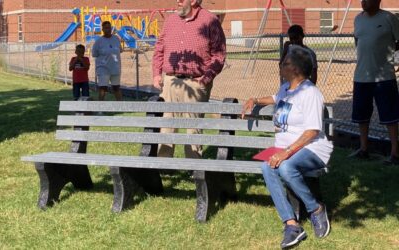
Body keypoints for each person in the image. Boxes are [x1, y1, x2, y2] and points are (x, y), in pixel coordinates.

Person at [242, 48, 333, 249]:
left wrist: (286, 152)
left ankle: (316, 208)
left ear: (296, 69)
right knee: (266, 166)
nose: (281, 66)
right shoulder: (286, 88)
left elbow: (312, 131)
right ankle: (291, 225)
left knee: (285, 167)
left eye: (285, 63)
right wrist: (255, 100)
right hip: (286, 146)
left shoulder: (311, 93)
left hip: (312, 148)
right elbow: (275, 98)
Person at [152, 0, 226, 159]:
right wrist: (157, 74)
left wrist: (205, 79)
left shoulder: (210, 21)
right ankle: (164, 166)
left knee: (193, 128)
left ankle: (194, 167)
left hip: (196, 83)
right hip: (170, 81)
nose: (177, 1)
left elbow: (219, 55)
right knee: (166, 126)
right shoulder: (171, 20)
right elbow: (159, 48)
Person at [349, 0, 399, 164]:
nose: (363, 2)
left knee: (390, 116)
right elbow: (358, 42)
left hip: (384, 77)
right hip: (361, 77)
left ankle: (395, 153)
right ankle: (364, 149)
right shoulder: (357, 19)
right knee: (362, 116)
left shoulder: (389, 18)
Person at [92, 21, 123, 101]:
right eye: (106, 28)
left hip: (115, 69)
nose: (108, 30)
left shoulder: (116, 39)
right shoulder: (98, 41)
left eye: (109, 28)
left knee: (116, 88)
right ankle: (100, 109)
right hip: (103, 69)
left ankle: (121, 107)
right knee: (103, 89)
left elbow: (120, 50)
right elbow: (94, 54)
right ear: (102, 29)